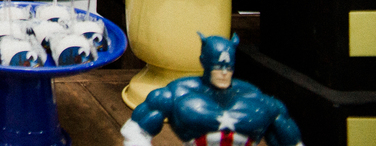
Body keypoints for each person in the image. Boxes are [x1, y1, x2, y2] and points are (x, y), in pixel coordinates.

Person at [122, 34, 304, 146]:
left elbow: (291, 141)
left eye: (228, 67)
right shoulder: (176, 94)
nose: (224, 73)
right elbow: (135, 132)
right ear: (205, 63)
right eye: (218, 66)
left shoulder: (258, 100)